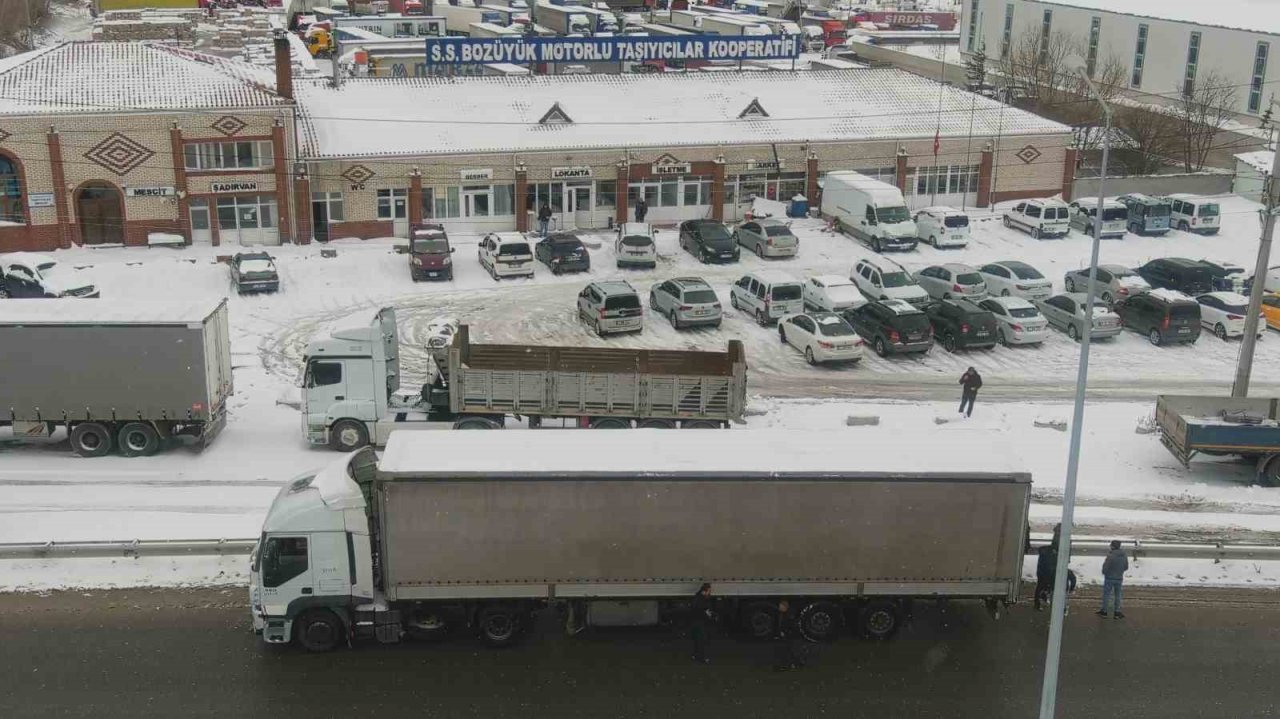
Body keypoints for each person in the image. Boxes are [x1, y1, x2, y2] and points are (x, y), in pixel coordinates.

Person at [1098, 540, 1129, 619]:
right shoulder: (1124, 555)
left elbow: (1105, 567)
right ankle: (1117, 612)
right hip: (1119, 578)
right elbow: (1126, 567)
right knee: (1118, 595)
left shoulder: (1111, 555)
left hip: (1109, 578)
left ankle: (1104, 611)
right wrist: (1119, 572)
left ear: (1113, 546)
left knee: (1107, 595)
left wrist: (1105, 572)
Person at [773, 599, 804, 671]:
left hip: (790, 637)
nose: (779, 608)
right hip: (787, 636)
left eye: (781, 606)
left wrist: (785, 632)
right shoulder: (782, 614)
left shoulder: (789, 615)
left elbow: (791, 626)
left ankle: (792, 663)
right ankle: (792, 663)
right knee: (788, 650)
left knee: (790, 650)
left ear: (785, 607)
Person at [690, 583, 714, 663]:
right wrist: (708, 614)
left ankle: (695, 656)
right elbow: (703, 610)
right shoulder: (702, 599)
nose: (710, 592)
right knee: (702, 640)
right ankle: (701, 658)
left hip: (695, 621)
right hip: (700, 622)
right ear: (705, 591)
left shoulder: (697, 597)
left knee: (697, 640)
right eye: (709, 591)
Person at [1034, 541, 1057, 611]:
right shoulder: (1049, 556)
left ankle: (1040, 601)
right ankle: (1039, 602)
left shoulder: (1045, 555)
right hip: (1045, 574)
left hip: (1043, 574)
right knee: (1043, 587)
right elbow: (1049, 566)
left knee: (1042, 587)